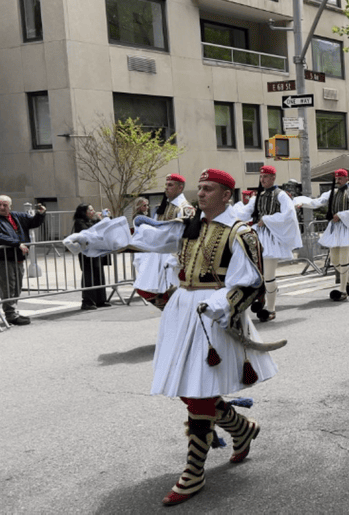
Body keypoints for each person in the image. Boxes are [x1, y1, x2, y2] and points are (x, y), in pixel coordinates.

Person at [64, 169, 279, 506]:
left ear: (227, 195)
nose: (201, 193)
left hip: (213, 315)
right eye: (201, 187)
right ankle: (240, 427)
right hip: (182, 310)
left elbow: (249, 282)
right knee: (188, 387)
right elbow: (144, 238)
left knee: (198, 391)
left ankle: (194, 469)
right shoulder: (189, 225)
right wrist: (93, 240)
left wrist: (219, 304)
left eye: (209, 189)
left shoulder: (241, 233)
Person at [234, 165, 303, 322]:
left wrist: (267, 219)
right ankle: (262, 297)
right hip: (257, 237)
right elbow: (245, 212)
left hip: (271, 240)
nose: (262, 179)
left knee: (269, 277)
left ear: (273, 177)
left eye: (265, 177)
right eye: (261, 177)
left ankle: (271, 309)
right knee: (255, 274)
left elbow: (289, 216)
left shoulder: (281, 196)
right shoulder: (258, 195)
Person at [295, 169, 349, 300]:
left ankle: (343, 290)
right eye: (336, 178)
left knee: (344, 259)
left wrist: (341, 215)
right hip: (335, 230)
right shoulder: (331, 193)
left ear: (347, 179)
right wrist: (303, 203)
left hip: (347, 229)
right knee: (334, 260)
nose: (338, 181)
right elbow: (318, 202)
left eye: (340, 178)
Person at [134, 174, 195, 309]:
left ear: (180, 188)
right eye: (166, 185)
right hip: (159, 256)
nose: (166, 188)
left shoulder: (184, 209)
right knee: (146, 288)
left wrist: (176, 258)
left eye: (170, 185)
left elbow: (188, 237)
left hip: (174, 258)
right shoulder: (163, 208)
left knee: (177, 298)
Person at [0, 196, 45, 325]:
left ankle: (13, 312)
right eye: (0, 205)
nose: (2, 207)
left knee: (17, 287)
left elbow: (33, 223)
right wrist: (17, 243)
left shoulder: (17, 216)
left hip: (18, 258)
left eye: (5, 205)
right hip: (4, 258)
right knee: (8, 287)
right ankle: (10, 314)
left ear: (10, 206)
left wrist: (40, 214)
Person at [72, 204, 111, 310]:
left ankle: (100, 300)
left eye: (93, 209)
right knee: (89, 275)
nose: (93, 211)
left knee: (99, 274)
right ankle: (87, 301)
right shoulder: (79, 222)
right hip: (86, 253)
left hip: (96, 252)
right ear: (84, 212)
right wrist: (98, 221)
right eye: (90, 210)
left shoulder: (92, 221)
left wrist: (102, 219)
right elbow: (88, 233)